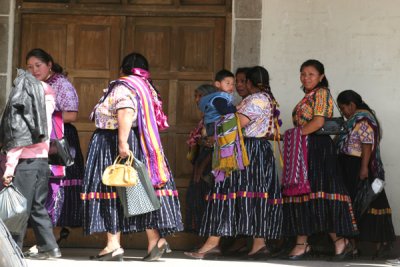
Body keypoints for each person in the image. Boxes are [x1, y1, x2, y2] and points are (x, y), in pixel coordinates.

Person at [81, 52, 183, 261]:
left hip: (113, 142)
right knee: (137, 191)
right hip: (139, 142)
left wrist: (122, 143)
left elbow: (125, 112)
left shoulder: (123, 86)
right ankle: (155, 241)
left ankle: (113, 244)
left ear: (123, 69)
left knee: (110, 190)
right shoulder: (146, 87)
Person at [185, 66, 283, 260]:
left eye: (243, 81)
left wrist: (215, 125)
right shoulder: (261, 99)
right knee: (253, 197)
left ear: (250, 82)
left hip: (248, 153)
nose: (239, 85)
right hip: (253, 151)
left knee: (225, 193)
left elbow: (237, 123)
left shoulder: (257, 100)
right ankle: (258, 245)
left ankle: (213, 244)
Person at [282, 59, 358, 261]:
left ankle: (339, 241)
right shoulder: (308, 96)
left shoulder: (322, 93)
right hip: (306, 147)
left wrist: (294, 136)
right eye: (303, 73)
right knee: (306, 194)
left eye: (311, 74)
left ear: (321, 77)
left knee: (320, 193)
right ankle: (303, 243)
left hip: (317, 148)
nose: (306, 77)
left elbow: (318, 122)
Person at [0, 69, 61, 259]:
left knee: (20, 208)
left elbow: (19, 138)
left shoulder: (27, 104)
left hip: (26, 163)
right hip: (42, 161)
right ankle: (50, 247)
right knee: (37, 206)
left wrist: (9, 169)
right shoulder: (46, 103)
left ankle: (14, 248)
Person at [26, 48, 84, 235]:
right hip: (41, 139)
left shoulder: (60, 84)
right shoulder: (37, 85)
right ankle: (44, 237)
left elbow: (72, 114)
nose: (34, 70)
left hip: (59, 141)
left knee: (55, 186)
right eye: (30, 67)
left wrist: (43, 116)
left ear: (49, 65)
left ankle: (50, 236)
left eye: (38, 65)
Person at [336, 90, 395, 258]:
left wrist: (363, 168)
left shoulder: (363, 119)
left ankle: (381, 245)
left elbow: (367, 144)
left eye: (343, 108)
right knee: (355, 204)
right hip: (350, 165)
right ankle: (354, 246)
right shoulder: (357, 119)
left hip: (359, 165)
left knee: (369, 203)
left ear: (352, 105)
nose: (343, 113)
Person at [185, 84, 217, 234]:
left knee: (207, 197)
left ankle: (211, 239)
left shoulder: (215, 116)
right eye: (196, 96)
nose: (197, 100)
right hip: (203, 160)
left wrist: (200, 141)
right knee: (200, 197)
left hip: (210, 163)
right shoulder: (206, 116)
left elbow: (214, 141)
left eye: (200, 96)